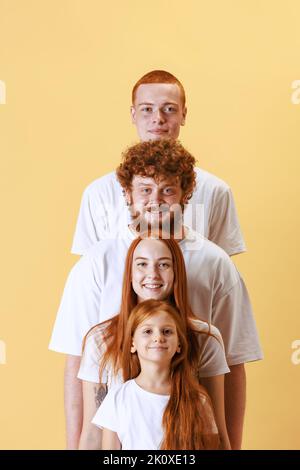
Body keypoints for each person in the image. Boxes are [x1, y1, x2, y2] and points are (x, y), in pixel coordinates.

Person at [49, 139, 262, 449]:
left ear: (186, 194)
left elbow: (234, 363)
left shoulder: (215, 265)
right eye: (146, 190)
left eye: (168, 190)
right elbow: (78, 365)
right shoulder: (96, 263)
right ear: (128, 194)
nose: (156, 200)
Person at [71, 70, 246, 258]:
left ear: (184, 115)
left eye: (169, 109)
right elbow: (91, 270)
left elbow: (220, 269)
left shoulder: (216, 190)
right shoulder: (98, 193)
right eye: (147, 109)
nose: (158, 118)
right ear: (133, 114)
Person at [78, 236, 231, 449]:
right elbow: (92, 435)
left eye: (164, 264)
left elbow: (219, 436)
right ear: (129, 274)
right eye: (142, 264)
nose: (153, 274)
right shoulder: (99, 340)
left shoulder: (205, 338)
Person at [92, 299, 221, 450]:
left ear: (179, 344)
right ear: (132, 344)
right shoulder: (117, 398)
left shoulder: (198, 400)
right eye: (147, 331)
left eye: (167, 331)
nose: (158, 338)